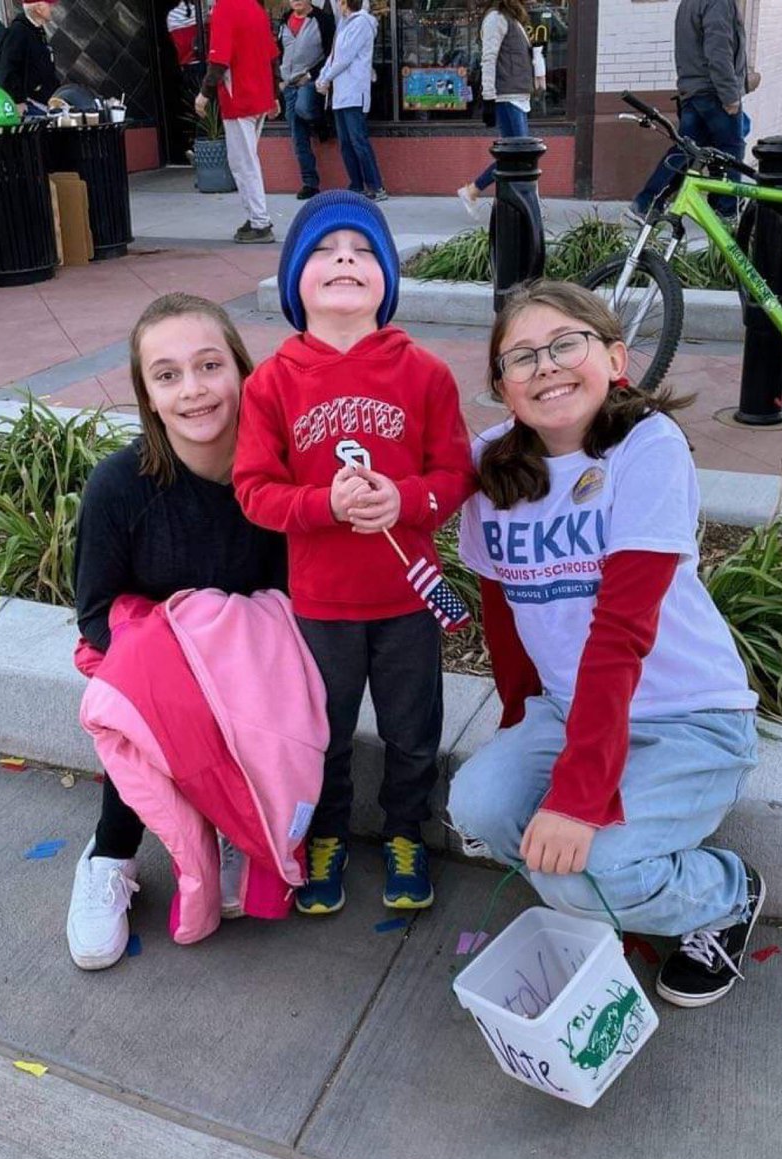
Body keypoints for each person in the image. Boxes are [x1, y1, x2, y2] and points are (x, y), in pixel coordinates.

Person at [449, 279, 765, 1010]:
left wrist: (579, 798)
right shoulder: (494, 463)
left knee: (574, 873)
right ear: (501, 386)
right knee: (480, 805)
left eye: (567, 344)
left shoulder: (646, 447)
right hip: (571, 710)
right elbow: (502, 611)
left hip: (692, 720)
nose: (547, 366)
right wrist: (517, 728)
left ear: (616, 357)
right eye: (520, 357)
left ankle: (722, 894)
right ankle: (610, 886)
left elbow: (620, 631)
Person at [233, 190, 476, 915]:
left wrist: (406, 499)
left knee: (412, 732)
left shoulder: (424, 374)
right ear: (294, 283)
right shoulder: (272, 383)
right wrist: (322, 506)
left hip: (407, 602)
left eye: (365, 250)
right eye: (326, 249)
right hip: (321, 605)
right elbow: (253, 489)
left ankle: (407, 832)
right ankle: (329, 834)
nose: (346, 257)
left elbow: (455, 473)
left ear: (387, 281)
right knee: (325, 736)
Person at [66, 292, 288, 970]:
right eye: (167, 375)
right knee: (148, 688)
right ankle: (109, 855)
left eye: (208, 365)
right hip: (152, 665)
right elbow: (95, 613)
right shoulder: (119, 487)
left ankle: (228, 823)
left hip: (253, 665)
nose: (192, 391)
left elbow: (295, 593)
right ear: (149, 397)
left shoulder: (277, 476)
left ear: (242, 372)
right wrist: (183, 655)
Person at [629, 0, 757, 221]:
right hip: (713, 92)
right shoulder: (717, 3)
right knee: (731, 150)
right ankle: (727, 210)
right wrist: (729, 96)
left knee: (686, 149)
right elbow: (719, 51)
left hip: (693, 91)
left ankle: (646, 203)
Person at [195, 0, 280, 243]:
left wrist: (204, 94)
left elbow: (219, 59)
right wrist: (275, 94)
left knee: (243, 164)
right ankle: (256, 216)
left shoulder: (225, 8)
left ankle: (260, 222)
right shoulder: (256, 7)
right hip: (260, 95)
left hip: (239, 97)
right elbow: (272, 56)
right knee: (248, 160)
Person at [456, 0, 545, 222]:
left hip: (518, 96)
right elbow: (488, 59)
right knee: (519, 158)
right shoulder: (495, 18)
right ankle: (527, 206)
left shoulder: (511, 18)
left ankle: (475, 191)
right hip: (507, 97)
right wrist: (488, 98)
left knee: (519, 157)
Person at [316, 0, 387, 203]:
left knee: (358, 141)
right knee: (346, 143)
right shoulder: (344, 23)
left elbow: (344, 57)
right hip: (340, 93)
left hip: (355, 91)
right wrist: (323, 76)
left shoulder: (362, 23)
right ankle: (356, 185)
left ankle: (376, 185)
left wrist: (326, 78)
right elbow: (334, 55)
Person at [278, 0, 336, 200]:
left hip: (311, 81)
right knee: (298, 137)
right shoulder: (285, 20)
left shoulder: (322, 20)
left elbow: (331, 54)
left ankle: (322, 123)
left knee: (305, 109)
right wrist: (280, 79)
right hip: (289, 84)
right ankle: (310, 183)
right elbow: (279, 51)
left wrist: (311, 74)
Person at [0, 1, 60, 114]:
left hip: (47, 100)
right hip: (31, 104)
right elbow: (7, 68)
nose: (53, 8)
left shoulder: (37, 29)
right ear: (38, 8)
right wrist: (18, 100)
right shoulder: (18, 32)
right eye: (49, 4)